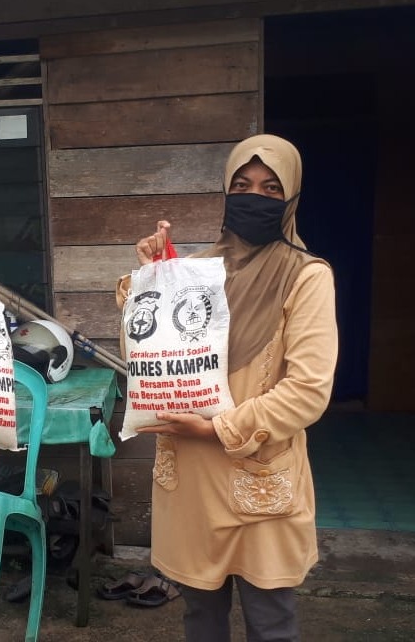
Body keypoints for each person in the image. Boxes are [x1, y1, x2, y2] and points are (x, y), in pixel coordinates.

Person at [117, 134, 338, 641]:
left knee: (271, 623)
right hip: (192, 481)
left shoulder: (305, 277)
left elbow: (307, 390)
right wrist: (152, 284)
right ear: (225, 191)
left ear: (290, 200)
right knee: (201, 621)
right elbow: (147, 363)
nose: (253, 197)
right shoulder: (193, 273)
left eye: (269, 188)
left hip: (259, 480)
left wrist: (217, 426)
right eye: (241, 184)